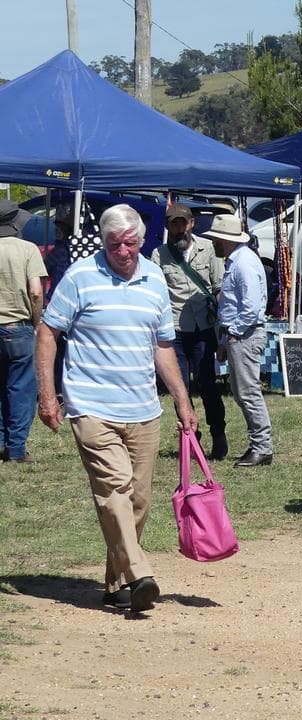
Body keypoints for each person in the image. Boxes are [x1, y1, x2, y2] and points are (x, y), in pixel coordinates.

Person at [35, 203, 196, 613]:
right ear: (103, 241)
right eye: (114, 244)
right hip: (91, 405)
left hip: (143, 408)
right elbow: (48, 332)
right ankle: (141, 574)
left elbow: (162, 346)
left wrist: (182, 398)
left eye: (130, 243)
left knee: (137, 500)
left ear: (142, 241)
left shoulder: (154, 277)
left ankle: (116, 582)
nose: (123, 251)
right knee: (114, 491)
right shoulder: (81, 277)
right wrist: (48, 395)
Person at [151, 203, 227, 460]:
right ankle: (192, 440)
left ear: (192, 223)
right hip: (174, 329)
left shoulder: (209, 249)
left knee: (208, 385)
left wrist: (222, 326)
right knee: (179, 387)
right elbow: (157, 295)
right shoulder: (159, 255)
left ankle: (219, 434)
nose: (179, 228)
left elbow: (219, 288)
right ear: (167, 226)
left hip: (204, 326)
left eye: (183, 223)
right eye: (174, 223)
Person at [208, 214, 273, 468]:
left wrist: (233, 332)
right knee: (242, 391)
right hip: (239, 333)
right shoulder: (238, 260)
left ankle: (262, 446)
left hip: (245, 333)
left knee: (248, 392)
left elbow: (251, 306)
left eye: (215, 238)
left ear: (225, 240)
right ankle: (260, 445)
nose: (213, 242)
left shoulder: (243, 263)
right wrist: (226, 338)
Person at [0, 200, 46, 463]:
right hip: (18, 327)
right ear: (16, 222)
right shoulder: (28, 249)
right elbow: (36, 291)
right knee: (20, 389)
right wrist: (36, 322)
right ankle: (16, 449)